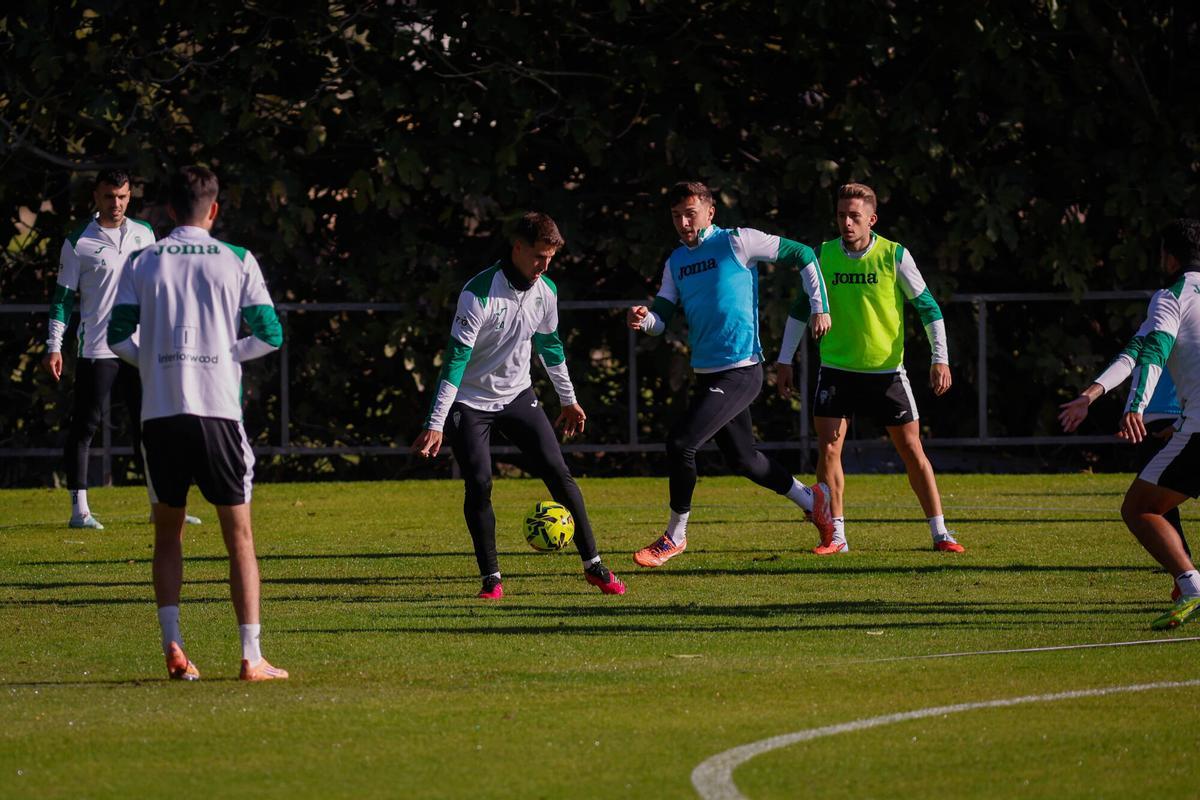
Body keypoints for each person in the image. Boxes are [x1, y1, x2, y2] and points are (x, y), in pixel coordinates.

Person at [108, 165, 287, 680]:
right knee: (240, 537)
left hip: (161, 413)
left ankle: (173, 644)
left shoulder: (144, 259)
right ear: (213, 209)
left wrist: (158, 360)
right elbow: (270, 332)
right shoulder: (236, 259)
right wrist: (228, 353)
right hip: (217, 413)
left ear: (167, 211)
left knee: (168, 534)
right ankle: (251, 656)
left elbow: (118, 336)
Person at [412, 212, 626, 599]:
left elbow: (550, 346)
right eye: (538, 257)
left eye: (550, 258)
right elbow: (455, 360)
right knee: (479, 483)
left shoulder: (547, 292)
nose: (544, 265)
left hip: (518, 396)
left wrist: (568, 399)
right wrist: (436, 422)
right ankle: (491, 579)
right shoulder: (477, 293)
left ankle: (593, 565)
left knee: (560, 475)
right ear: (517, 249)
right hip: (470, 402)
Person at [626, 180, 834, 568]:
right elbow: (662, 320)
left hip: (741, 370)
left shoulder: (738, 241)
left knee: (681, 444)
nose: (684, 222)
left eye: (690, 213)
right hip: (707, 373)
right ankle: (812, 500)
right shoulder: (676, 262)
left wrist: (820, 306)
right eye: (676, 216)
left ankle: (674, 536)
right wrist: (644, 319)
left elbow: (804, 254)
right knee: (744, 460)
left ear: (710, 212)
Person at [777, 182, 963, 555]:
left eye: (854, 216)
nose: (846, 222)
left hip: (886, 372)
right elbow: (800, 309)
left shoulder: (894, 255)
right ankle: (836, 536)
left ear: (871, 219)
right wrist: (784, 360)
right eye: (841, 215)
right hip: (836, 369)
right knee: (828, 449)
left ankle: (941, 533)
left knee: (911, 450)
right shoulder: (822, 255)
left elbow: (928, 308)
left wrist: (939, 358)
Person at [43, 170, 200, 529]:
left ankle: (161, 505)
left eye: (122, 197)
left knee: (151, 427)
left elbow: (160, 285)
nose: (116, 204)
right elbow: (62, 300)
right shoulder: (78, 241)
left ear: (130, 197)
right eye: (109, 197)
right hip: (97, 348)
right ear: (96, 197)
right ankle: (79, 510)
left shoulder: (144, 233)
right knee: (85, 426)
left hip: (140, 347)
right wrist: (54, 346)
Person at [1098, 219, 1200, 630]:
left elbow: (1155, 351)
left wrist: (1135, 406)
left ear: (1169, 256)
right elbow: (1140, 346)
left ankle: (1191, 586)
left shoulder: (1170, 296)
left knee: (1139, 508)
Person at [1059, 323, 1191, 600]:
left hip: (1185, 421)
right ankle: (1186, 579)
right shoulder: (1170, 302)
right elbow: (1132, 355)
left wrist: (1179, 420)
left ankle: (1188, 580)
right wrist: (1088, 396)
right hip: (1156, 422)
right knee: (1152, 505)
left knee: (1142, 507)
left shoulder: (1175, 299)